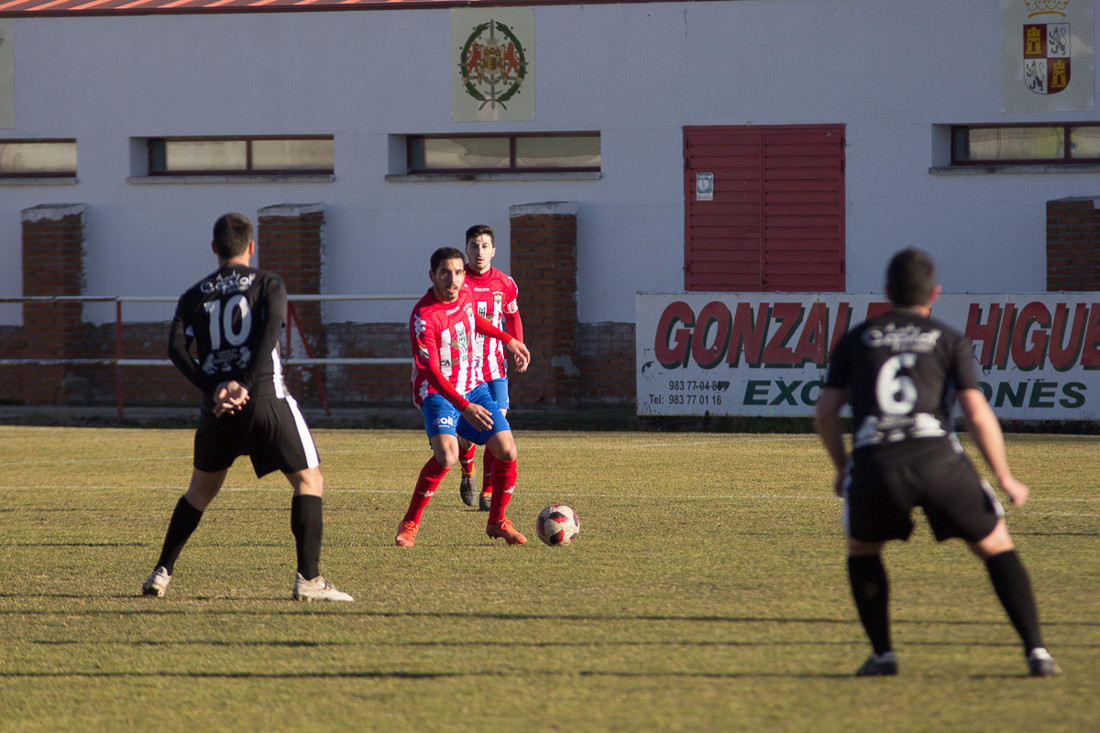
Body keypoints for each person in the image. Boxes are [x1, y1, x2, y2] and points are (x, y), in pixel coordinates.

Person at [814, 247, 1060, 677]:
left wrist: (843, 467)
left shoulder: (857, 338)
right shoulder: (948, 338)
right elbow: (977, 413)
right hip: (938, 460)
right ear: (935, 293)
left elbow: (825, 411)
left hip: (878, 462)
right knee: (995, 545)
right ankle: (1037, 652)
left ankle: (883, 655)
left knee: (863, 548)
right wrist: (1004, 477)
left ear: (887, 291)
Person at [142, 212, 352, 602]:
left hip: (217, 408)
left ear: (214, 248)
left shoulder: (193, 294)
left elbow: (175, 349)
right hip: (265, 397)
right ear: (251, 247)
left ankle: (161, 571)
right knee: (309, 481)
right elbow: (270, 332)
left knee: (198, 493)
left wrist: (215, 388)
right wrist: (244, 383)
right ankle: (309, 579)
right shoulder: (268, 282)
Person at [397, 246, 532, 548]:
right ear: (432, 276)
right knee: (447, 456)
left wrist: (508, 339)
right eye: (445, 272)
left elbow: (475, 321)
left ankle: (497, 521)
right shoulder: (423, 317)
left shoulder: (466, 295)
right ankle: (409, 523)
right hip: (438, 394)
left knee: (507, 450)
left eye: (458, 272)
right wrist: (464, 406)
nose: (453, 279)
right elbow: (431, 371)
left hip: (474, 386)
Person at [455, 224, 524, 511]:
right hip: (466, 370)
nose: (479, 251)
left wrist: (518, 345)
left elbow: (513, 316)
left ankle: (487, 491)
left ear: (493, 251)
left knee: (498, 426)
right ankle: (467, 471)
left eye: (484, 246)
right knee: (465, 436)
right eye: (474, 246)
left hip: (495, 367)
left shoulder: (505, 283)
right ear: (466, 250)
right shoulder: (458, 283)